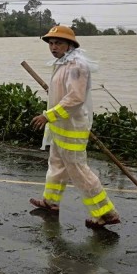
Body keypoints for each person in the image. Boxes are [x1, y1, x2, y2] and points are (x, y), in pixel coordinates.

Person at [29, 25, 121, 229]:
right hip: (59, 128)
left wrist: (48, 116)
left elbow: (76, 98)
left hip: (72, 129)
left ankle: (106, 213)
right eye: (51, 43)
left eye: (58, 43)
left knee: (79, 172)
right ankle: (50, 202)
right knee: (56, 165)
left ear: (70, 44)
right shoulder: (62, 63)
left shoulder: (77, 66)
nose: (53, 47)